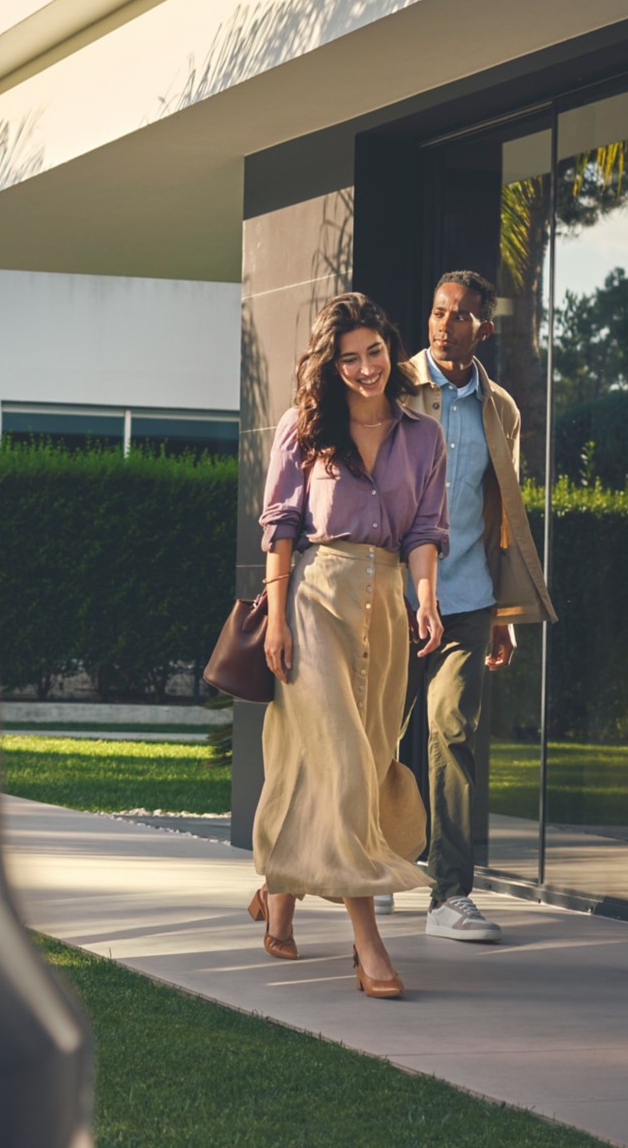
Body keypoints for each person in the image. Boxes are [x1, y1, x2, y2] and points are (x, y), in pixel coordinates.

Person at [249, 292, 448, 1000]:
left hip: (387, 610)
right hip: (312, 602)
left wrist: (425, 599)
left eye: (373, 352)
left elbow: (426, 531)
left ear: (390, 351)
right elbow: (279, 528)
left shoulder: (424, 437)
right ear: (330, 366)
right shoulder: (302, 428)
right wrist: (275, 617)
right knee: (341, 765)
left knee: (356, 757)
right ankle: (369, 945)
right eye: (348, 358)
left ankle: (279, 889)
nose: (364, 368)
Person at [378, 270, 556, 940]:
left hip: (470, 600)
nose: (444, 325)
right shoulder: (392, 388)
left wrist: (503, 616)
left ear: (483, 328)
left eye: (460, 317)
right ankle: (380, 864)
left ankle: (450, 895)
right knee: (378, 736)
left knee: (451, 738)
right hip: (394, 596)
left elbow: (498, 507)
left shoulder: (499, 409)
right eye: (437, 312)